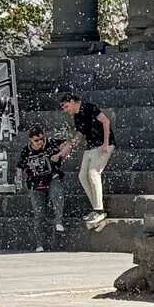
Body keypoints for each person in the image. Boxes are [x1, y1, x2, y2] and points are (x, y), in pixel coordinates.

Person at [57, 93, 114, 228]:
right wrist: (66, 149)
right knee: (82, 176)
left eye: (66, 106)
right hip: (91, 147)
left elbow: (106, 121)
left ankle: (99, 210)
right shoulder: (77, 116)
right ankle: (96, 209)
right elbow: (79, 135)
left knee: (93, 173)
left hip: (104, 145)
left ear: (72, 101)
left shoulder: (89, 108)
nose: (65, 110)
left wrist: (106, 143)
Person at [13, 125, 66, 250]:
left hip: (52, 178)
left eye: (42, 139)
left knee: (57, 194)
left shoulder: (51, 143)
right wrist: (18, 181)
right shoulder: (26, 151)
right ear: (30, 140)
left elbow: (68, 143)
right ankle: (39, 244)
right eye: (36, 140)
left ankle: (58, 221)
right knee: (39, 214)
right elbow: (19, 167)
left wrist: (59, 154)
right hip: (35, 183)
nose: (40, 142)